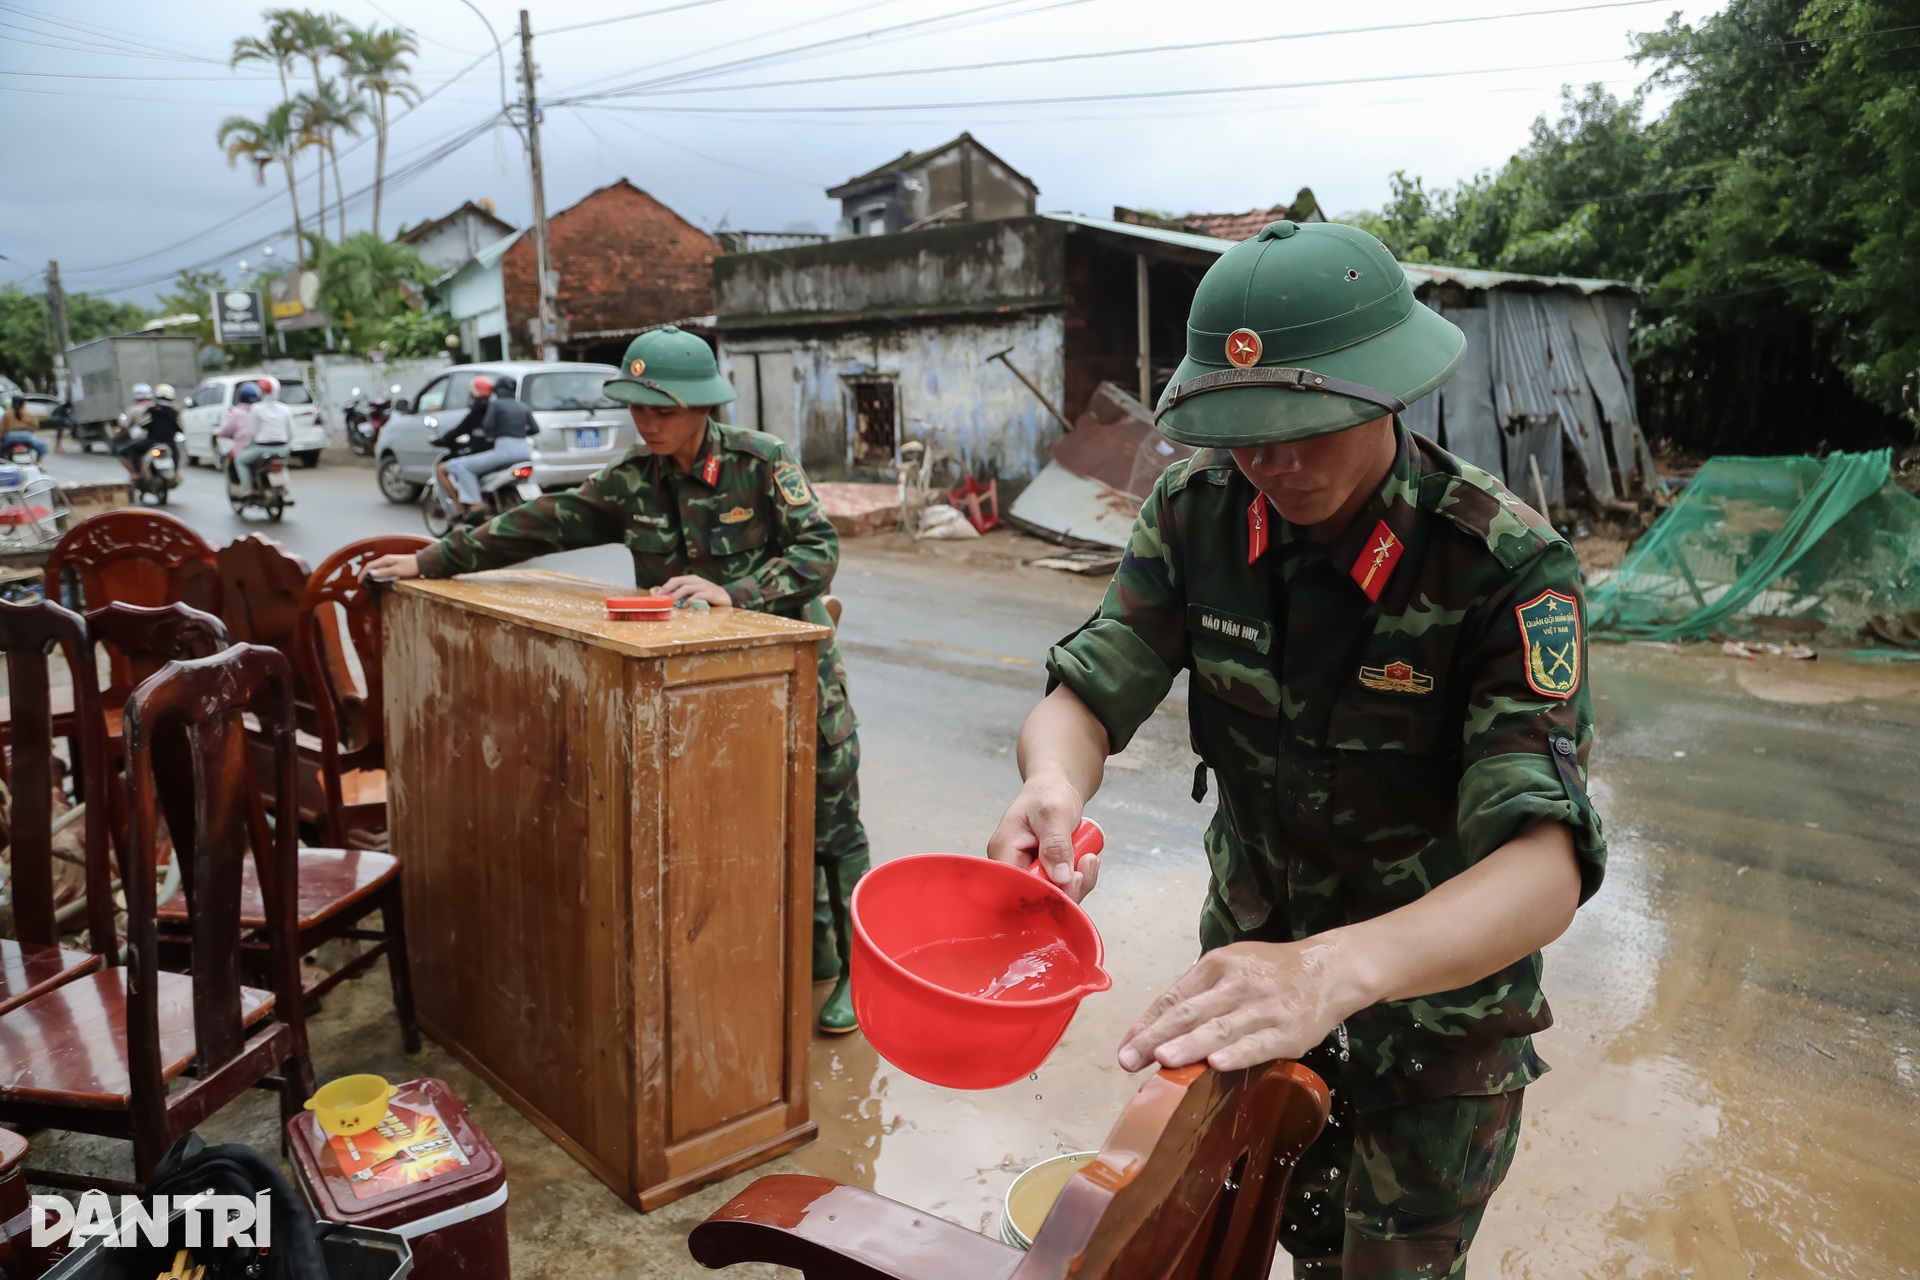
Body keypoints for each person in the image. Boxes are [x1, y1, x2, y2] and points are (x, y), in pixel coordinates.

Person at [986, 220, 1607, 1277]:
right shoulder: (1199, 513)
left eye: (1304, 425)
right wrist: (1052, 778)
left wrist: (1333, 970)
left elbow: (1544, 863)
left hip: (1433, 1020)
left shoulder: (1501, 565)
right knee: (1255, 1233)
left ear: (1386, 392)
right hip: (1255, 979)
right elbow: (1088, 685)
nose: (1274, 461)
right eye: (1245, 431)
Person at [366, 326, 872, 1034]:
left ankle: (858, 972)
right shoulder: (635, 480)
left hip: (792, 674)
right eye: (637, 407)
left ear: (701, 406)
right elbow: (540, 523)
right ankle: (816, 949)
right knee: (744, 818)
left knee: (830, 817)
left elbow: (818, 550)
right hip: (696, 692)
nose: (647, 422)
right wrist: (433, 560)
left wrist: (740, 592)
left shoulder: (762, 463)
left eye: (661, 409)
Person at [440, 374, 535, 526]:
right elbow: (534, 429)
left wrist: (497, 433)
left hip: (504, 452)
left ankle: (476, 504)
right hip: (525, 451)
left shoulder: (496, 405)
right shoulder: (523, 406)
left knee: (465, 466)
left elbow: (487, 426)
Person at [226, 377, 292, 485]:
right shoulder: (285, 409)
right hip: (284, 449)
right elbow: (291, 432)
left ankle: (246, 488)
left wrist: (247, 444)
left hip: (261, 449)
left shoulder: (256, 408)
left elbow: (251, 432)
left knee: (240, 460)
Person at [116, 383, 181, 476]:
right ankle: (176, 473)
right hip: (169, 441)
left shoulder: (151, 410)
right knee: (176, 453)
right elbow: (181, 428)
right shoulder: (174, 412)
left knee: (134, 450)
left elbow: (142, 424)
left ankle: (137, 474)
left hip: (152, 440)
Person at [0, 395, 47, 462]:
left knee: (2, 450)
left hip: (10, 438)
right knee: (42, 447)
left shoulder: (7, 413)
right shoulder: (28, 413)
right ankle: (38, 463)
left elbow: (3, 429)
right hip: (27, 438)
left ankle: (2, 464)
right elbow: (35, 426)